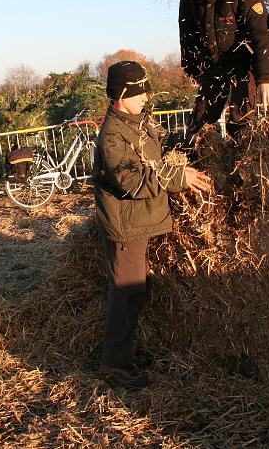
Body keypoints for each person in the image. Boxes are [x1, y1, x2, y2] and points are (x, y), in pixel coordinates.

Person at [93, 61, 212, 388]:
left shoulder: (140, 121)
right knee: (126, 294)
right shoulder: (113, 136)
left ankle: (125, 355)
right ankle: (114, 365)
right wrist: (179, 176)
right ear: (121, 95)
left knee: (137, 291)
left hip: (140, 222)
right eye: (138, 91)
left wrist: (194, 137)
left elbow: (164, 142)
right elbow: (131, 180)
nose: (145, 96)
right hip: (126, 226)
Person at [178, 0, 269, 138]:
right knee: (199, 123)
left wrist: (266, 78)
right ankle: (195, 161)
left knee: (240, 119)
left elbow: (263, 35)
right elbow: (186, 33)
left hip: (243, 65)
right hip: (213, 67)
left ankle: (239, 161)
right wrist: (192, 68)